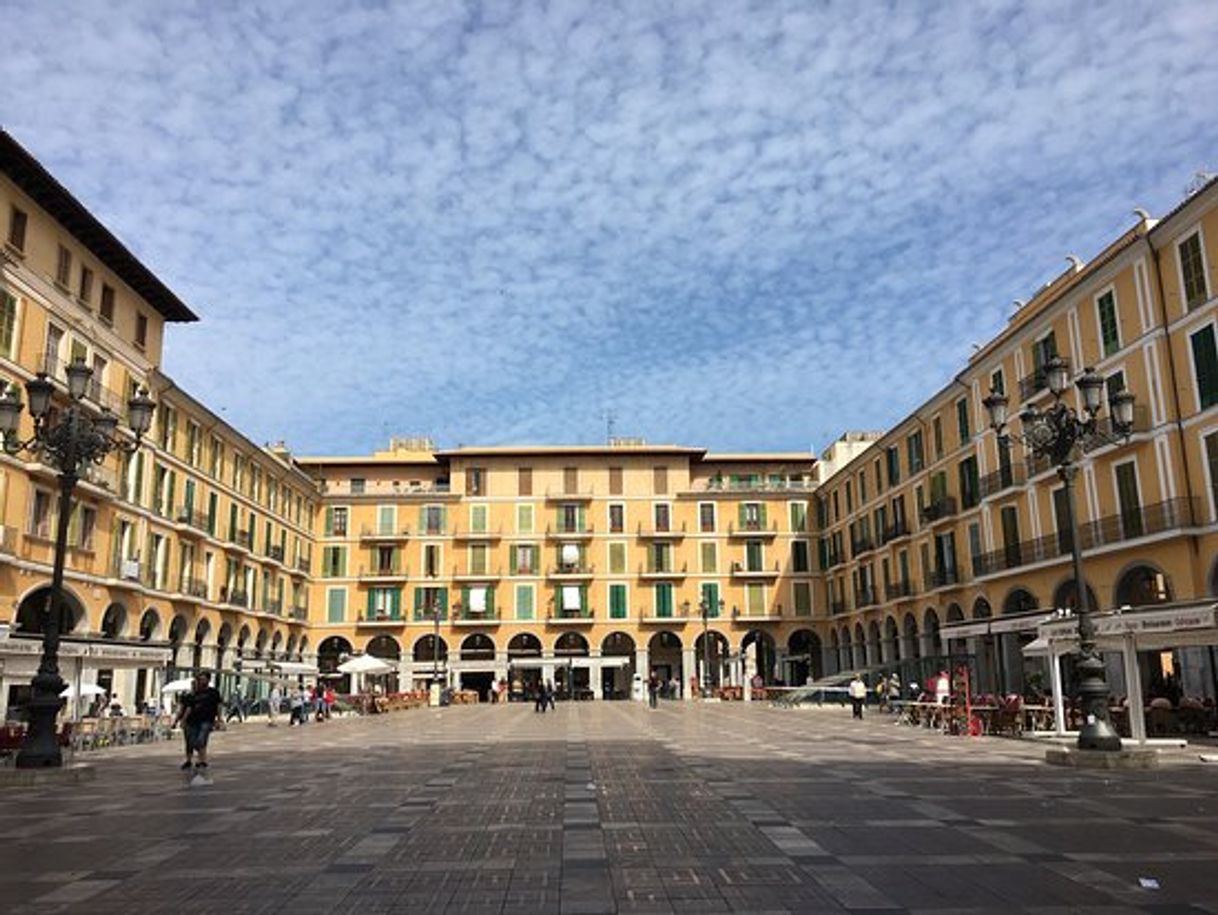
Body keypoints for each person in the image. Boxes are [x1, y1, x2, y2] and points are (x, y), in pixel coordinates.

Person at [173, 672, 223, 774]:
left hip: (207, 720)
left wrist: (219, 719)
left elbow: (218, 706)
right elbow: (186, 708)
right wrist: (179, 720)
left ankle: (201, 760)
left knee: (201, 740)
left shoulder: (213, 693)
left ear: (208, 680)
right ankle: (195, 760)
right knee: (190, 741)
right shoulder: (192, 694)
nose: (201, 681)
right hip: (192, 721)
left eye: (203, 679)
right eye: (200, 680)